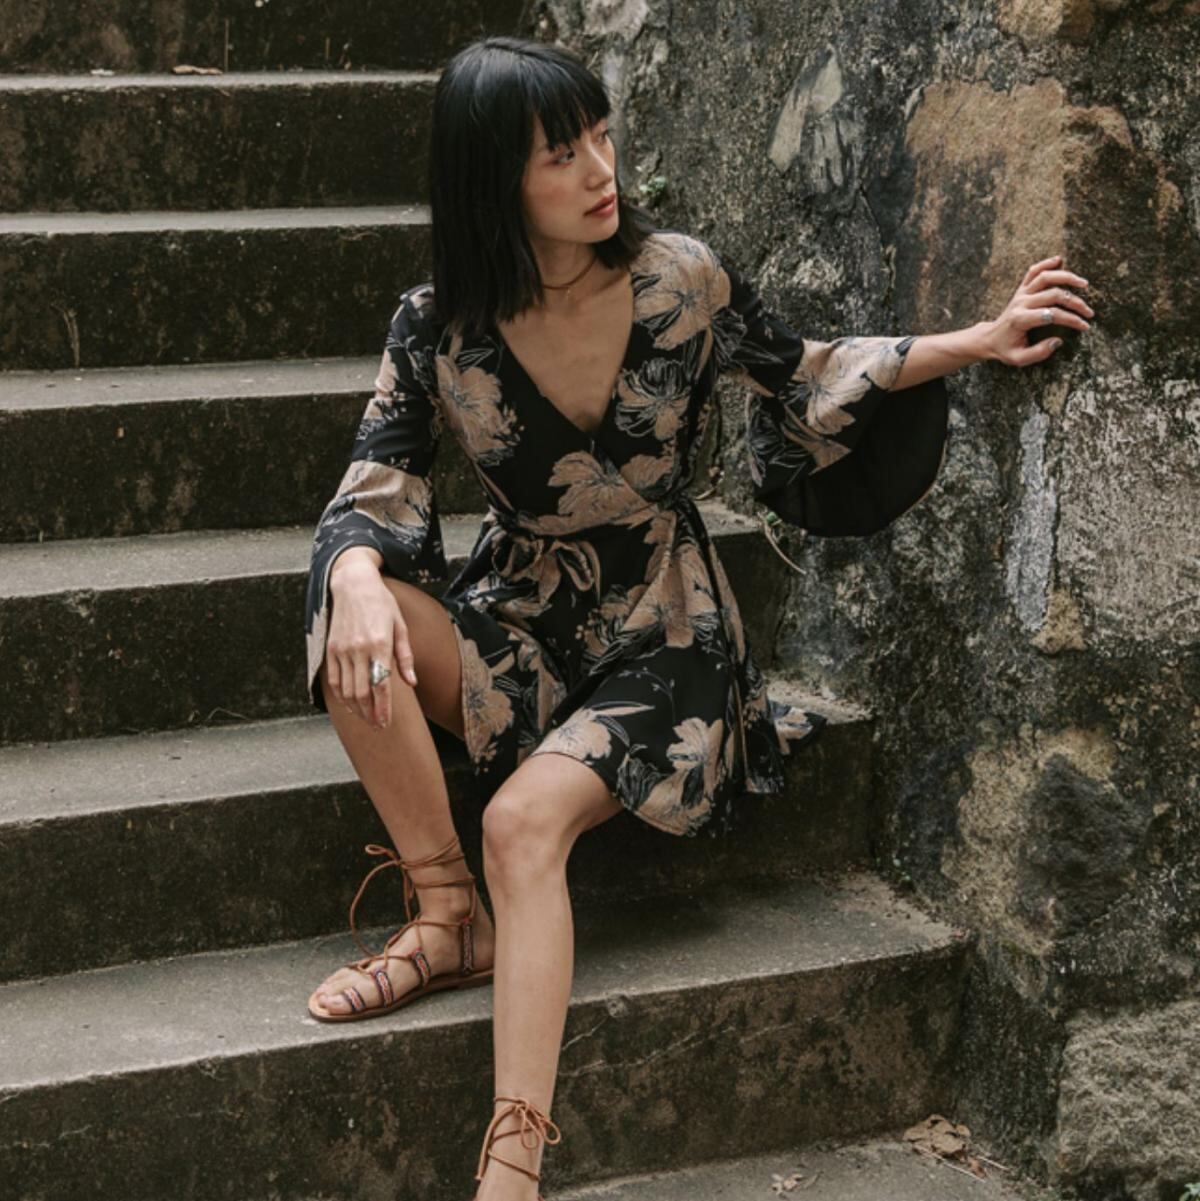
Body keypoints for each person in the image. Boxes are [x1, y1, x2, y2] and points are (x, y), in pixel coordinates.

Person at [300, 34, 1092, 1201]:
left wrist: (977, 337)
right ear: (490, 180)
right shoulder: (438, 326)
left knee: (522, 822)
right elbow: (373, 485)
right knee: (346, 622)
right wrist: (361, 576)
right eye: (560, 154)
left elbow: (807, 371)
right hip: (518, 616)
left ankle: (512, 1160)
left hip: (665, 632)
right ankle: (448, 913)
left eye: (601, 135)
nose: (601, 169)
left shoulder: (680, 279)